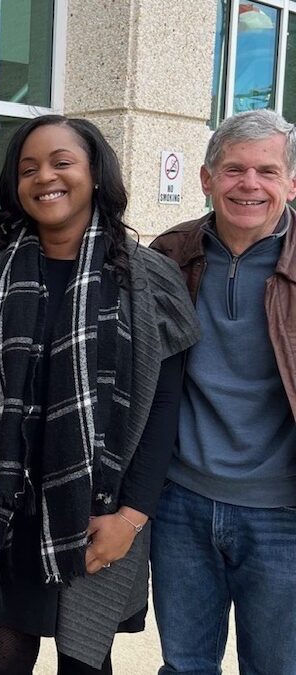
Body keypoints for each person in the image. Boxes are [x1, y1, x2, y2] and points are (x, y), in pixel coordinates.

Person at [0, 115, 200, 674]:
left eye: (62, 163)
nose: (45, 178)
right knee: (1, 664)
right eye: (28, 168)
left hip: (96, 513)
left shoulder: (149, 279)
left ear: (95, 174)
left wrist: (131, 517)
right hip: (3, 511)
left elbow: (162, 407)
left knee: (86, 661)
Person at [149, 109, 296, 675]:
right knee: (184, 667)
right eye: (233, 169)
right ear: (207, 178)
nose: (249, 185)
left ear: (290, 182)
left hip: (283, 511)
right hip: (180, 501)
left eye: (266, 171)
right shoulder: (170, 256)